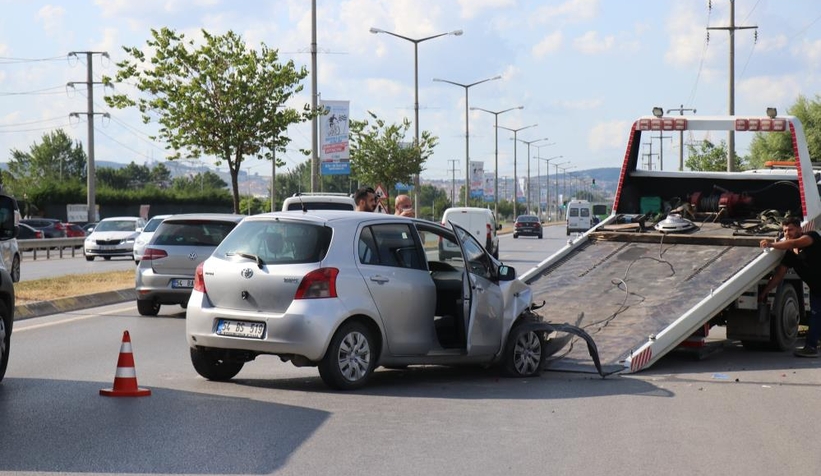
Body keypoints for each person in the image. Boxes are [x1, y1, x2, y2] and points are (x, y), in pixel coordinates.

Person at [759, 216, 821, 357]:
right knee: (816, 316)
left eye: (791, 230)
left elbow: (794, 242)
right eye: (785, 231)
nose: (787, 233)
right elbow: (778, 276)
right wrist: (764, 292)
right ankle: (813, 343)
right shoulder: (790, 255)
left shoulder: (811, 237)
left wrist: (772, 245)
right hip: (817, 289)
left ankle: (811, 347)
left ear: (799, 229)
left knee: (816, 316)